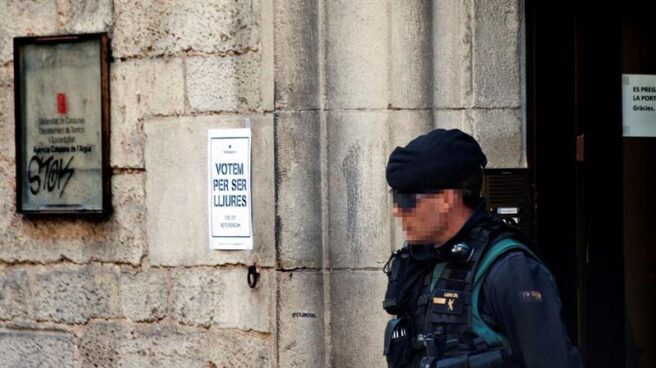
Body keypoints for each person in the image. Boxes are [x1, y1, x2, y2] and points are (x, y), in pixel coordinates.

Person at [382, 129, 582, 368]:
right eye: (396, 197)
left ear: (447, 199)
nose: (397, 210)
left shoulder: (509, 269)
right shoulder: (422, 261)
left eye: (408, 200)